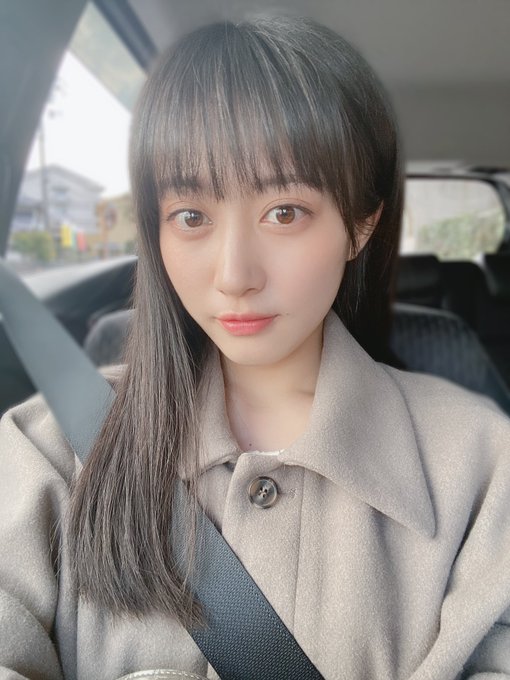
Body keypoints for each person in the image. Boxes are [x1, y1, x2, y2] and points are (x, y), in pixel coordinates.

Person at [1, 15, 510, 680]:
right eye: (191, 217)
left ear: (361, 225)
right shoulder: (47, 450)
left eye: (284, 212)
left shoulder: (484, 467)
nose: (234, 274)